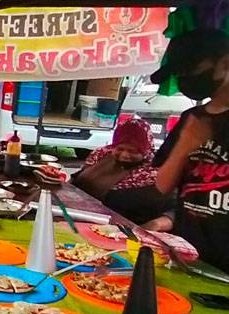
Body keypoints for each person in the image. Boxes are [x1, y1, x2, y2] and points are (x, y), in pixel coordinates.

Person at [153, 29, 229, 272]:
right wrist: (185, 146)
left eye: (189, 71)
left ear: (225, 63)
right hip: (187, 257)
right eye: (179, 74)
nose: (184, 80)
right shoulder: (191, 119)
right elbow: (163, 186)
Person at [73, 118, 173, 226]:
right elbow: (78, 178)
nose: (124, 155)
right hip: (79, 216)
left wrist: (155, 225)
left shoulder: (155, 172)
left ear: (145, 150)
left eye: (132, 151)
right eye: (120, 148)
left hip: (118, 229)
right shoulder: (101, 154)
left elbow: (173, 209)